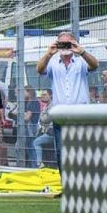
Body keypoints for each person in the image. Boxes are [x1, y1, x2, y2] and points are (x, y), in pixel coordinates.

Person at [36, 31, 97, 172]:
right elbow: (39, 70)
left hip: (81, 113)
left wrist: (81, 51)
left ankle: (83, 183)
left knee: (83, 149)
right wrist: (49, 53)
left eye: (67, 43)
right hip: (61, 113)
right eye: (61, 43)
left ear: (74, 43)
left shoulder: (81, 61)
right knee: (62, 152)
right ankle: (67, 186)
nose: (64, 47)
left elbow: (94, 65)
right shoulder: (52, 62)